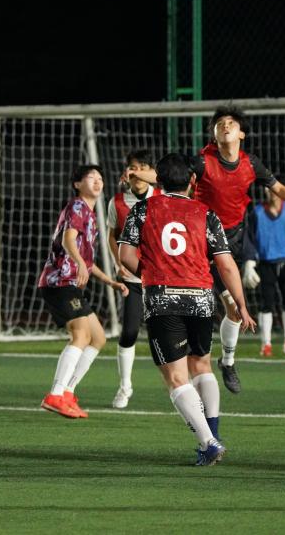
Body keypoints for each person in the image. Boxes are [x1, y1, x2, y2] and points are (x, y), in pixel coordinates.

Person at [124, 106, 285, 393]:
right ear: (213, 133)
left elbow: (277, 187)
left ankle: (227, 361)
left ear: (242, 134)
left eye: (231, 123)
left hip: (233, 241)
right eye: (220, 123)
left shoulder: (251, 164)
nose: (225, 126)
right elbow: (169, 175)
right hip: (202, 241)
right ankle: (197, 356)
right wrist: (139, 174)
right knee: (228, 306)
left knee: (235, 311)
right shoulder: (202, 162)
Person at [118, 152, 255, 465]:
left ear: (159, 181)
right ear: (193, 180)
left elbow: (125, 255)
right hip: (201, 298)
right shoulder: (206, 213)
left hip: (163, 298)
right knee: (202, 366)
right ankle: (213, 434)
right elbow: (226, 264)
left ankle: (208, 443)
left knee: (177, 378)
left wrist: (149, 274)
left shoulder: (143, 209)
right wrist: (242, 306)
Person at [37, 164, 129, 419]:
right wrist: (77, 262)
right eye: (91, 178)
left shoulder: (88, 213)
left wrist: (110, 282)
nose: (97, 181)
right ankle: (55, 394)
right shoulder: (77, 206)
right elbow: (68, 240)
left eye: (100, 178)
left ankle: (67, 393)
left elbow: (87, 261)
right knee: (81, 334)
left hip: (70, 284)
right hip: (59, 282)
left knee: (98, 338)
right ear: (77, 184)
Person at [106, 150, 159, 409]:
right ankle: (125, 386)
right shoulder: (117, 202)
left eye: (142, 167)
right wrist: (119, 263)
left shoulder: (162, 196)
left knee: (169, 334)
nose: (136, 172)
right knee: (129, 333)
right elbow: (112, 235)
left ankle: (183, 385)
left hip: (162, 279)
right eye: (132, 167)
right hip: (134, 279)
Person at [243, 187, 285, 357]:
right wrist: (249, 263)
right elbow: (249, 238)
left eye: (273, 189)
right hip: (266, 263)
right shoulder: (256, 212)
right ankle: (266, 344)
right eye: (267, 189)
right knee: (266, 303)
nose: (271, 192)